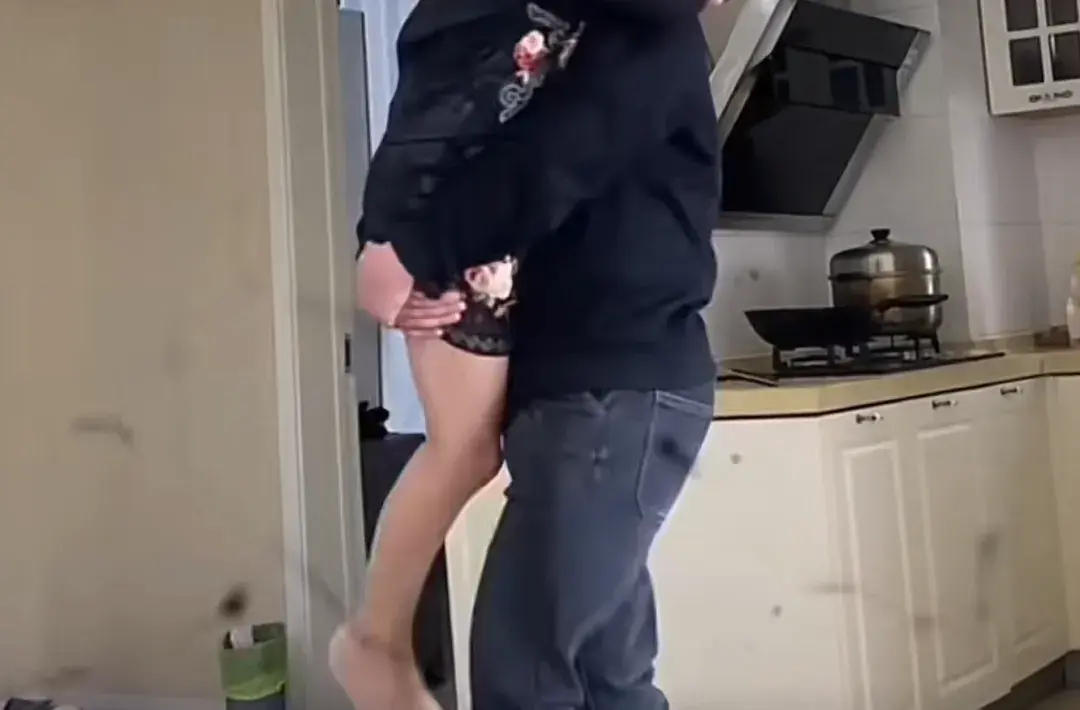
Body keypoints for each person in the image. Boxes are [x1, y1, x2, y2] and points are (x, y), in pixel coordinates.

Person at [334, 0, 719, 707]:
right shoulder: (585, 29)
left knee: (527, 678)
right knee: (606, 678)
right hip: (599, 390)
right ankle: (373, 642)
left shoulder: (649, 37)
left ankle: (373, 642)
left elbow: (554, 158)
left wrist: (406, 249)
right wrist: (389, 245)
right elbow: (453, 128)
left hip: (611, 395)